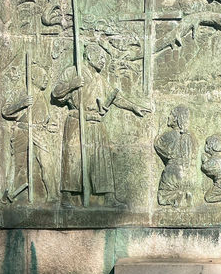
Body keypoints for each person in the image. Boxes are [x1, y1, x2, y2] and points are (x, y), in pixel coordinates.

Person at [52, 42, 150, 207]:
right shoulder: (73, 72)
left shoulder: (99, 79)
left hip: (95, 121)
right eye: (101, 57)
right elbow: (56, 93)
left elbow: (115, 98)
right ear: (90, 57)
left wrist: (134, 107)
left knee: (102, 157)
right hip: (77, 120)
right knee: (73, 157)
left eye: (104, 58)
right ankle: (67, 196)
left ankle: (108, 196)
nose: (103, 61)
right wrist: (71, 85)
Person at [1, 62, 51, 202]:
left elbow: (43, 118)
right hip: (23, 131)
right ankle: (8, 192)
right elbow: (5, 110)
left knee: (47, 163)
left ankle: (52, 195)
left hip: (39, 133)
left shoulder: (42, 96)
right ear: (33, 78)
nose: (46, 79)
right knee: (17, 164)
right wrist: (21, 103)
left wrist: (47, 126)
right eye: (43, 76)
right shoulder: (22, 91)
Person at [154, 106, 197, 207]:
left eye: (171, 115)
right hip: (189, 174)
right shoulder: (190, 137)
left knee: (162, 197)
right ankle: (187, 194)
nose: (168, 117)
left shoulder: (170, 135)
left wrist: (159, 131)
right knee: (184, 187)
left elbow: (158, 146)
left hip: (174, 171)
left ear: (176, 118)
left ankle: (175, 197)